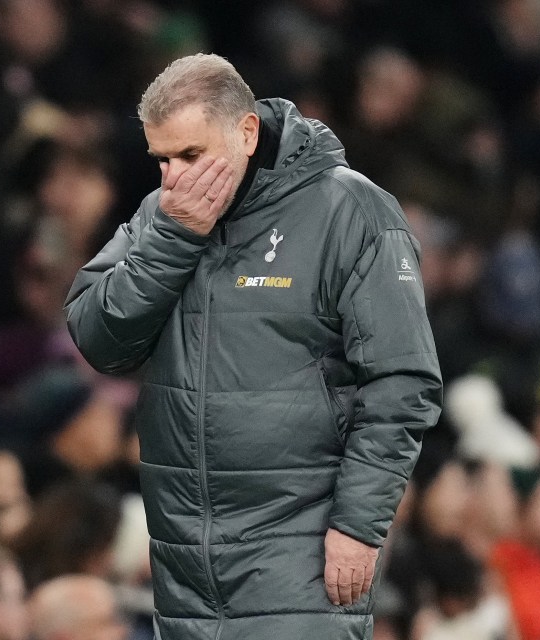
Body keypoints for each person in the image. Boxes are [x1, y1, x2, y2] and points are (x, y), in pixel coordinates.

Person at [64, 53, 442, 639]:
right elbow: (98, 338)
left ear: (246, 133)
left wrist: (359, 525)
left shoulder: (352, 211)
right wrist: (173, 239)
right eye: (162, 159)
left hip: (304, 553)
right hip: (183, 561)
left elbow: (402, 381)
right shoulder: (163, 218)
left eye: (191, 155)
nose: (174, 178)